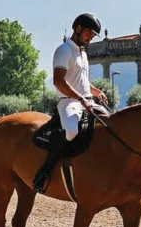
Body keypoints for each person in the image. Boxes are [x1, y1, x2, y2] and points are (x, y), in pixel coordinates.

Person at [33, 12, 109, 195]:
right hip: (68, 103)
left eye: (93, 35)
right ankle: (46, 170)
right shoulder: (63, 50)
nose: (90, 38)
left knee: (110, 124)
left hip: (87, 101)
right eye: (89, 33)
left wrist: (96, 92)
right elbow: (59, 82)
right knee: (72, 130)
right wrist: (81, 98)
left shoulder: (83, 54)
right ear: (78, 28)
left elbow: (81, 82)